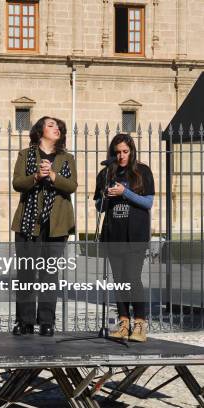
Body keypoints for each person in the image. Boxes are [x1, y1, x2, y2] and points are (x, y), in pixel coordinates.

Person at [11, 116, 77, 337]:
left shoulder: (67, 158)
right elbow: (17, 183)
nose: (56, 128)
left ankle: (47, 321)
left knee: (50, 274)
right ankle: (24, 320)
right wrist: (37, 176)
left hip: (57, 224)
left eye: (59, 126)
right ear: (40, 131)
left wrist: (54, 175)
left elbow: (72, 186)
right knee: (26, 273)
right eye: (51, 125)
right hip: (28, 223)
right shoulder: (26, 155)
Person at [94, 133, 154, 342]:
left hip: (135, 234)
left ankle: (139, 323)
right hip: (114, 233)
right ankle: (123, 322)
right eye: (117, 152)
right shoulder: (106, 174)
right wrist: (105, 195)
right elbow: (98, 207)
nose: (121, 156)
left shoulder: (142, 171)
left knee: (132, 278)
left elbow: (148, 202)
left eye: (125, 152)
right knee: (119, 280)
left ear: (132, 151)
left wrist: (124, 193)